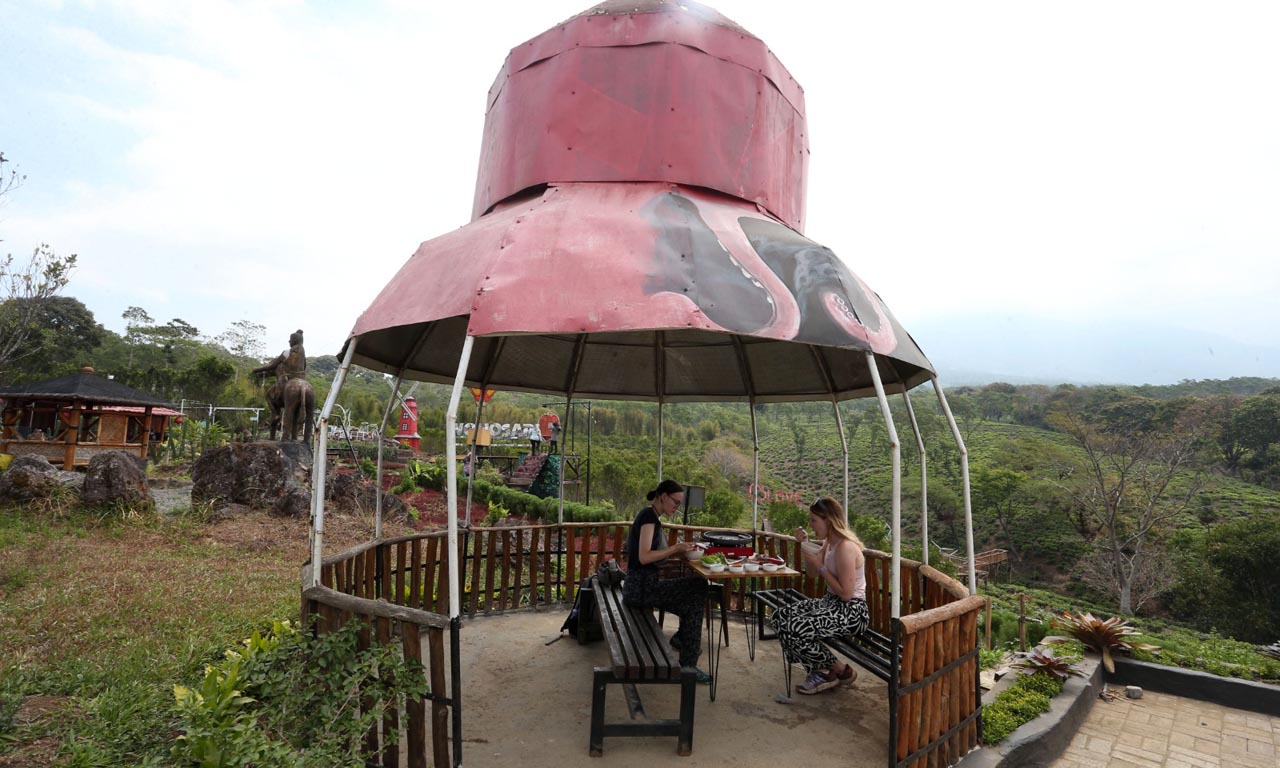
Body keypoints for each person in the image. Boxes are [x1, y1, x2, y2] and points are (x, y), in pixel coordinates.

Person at [770, 497, 869, 694]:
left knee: (795, 628)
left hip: (852, 612)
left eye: (813, 520)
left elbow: (846, 594)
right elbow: (812, 573)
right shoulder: (828, 544)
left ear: (828, 520)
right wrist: (806, 545)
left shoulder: (845, 547)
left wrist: (821, 567)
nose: (810, 525)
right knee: (780, 617)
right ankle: (831, 670)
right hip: (831, 603)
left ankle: (829, 672)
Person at [622, 479, 712, 683]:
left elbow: (654, 555)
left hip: (642, 586)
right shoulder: (649, 517)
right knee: (697, 588)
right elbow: (644, 557)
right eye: (676, 502)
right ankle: (687, 662)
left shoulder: (652, 516)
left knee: (694, 600)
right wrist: (675, 548)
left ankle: (684, 647)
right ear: (663, 497)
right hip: (641, 588)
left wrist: (680, 552)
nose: (677, 507)